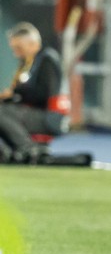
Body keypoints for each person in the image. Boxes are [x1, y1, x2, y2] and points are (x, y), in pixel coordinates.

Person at [0, 23, 65, 163]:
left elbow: (43, 95)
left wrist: (15, 93)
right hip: (33, 112)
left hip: (48, 116)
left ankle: (27, 148)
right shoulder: (29, 63)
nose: (16, 53)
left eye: (19, 48)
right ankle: (9, 150)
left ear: (32, 43)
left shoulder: (47, 60)